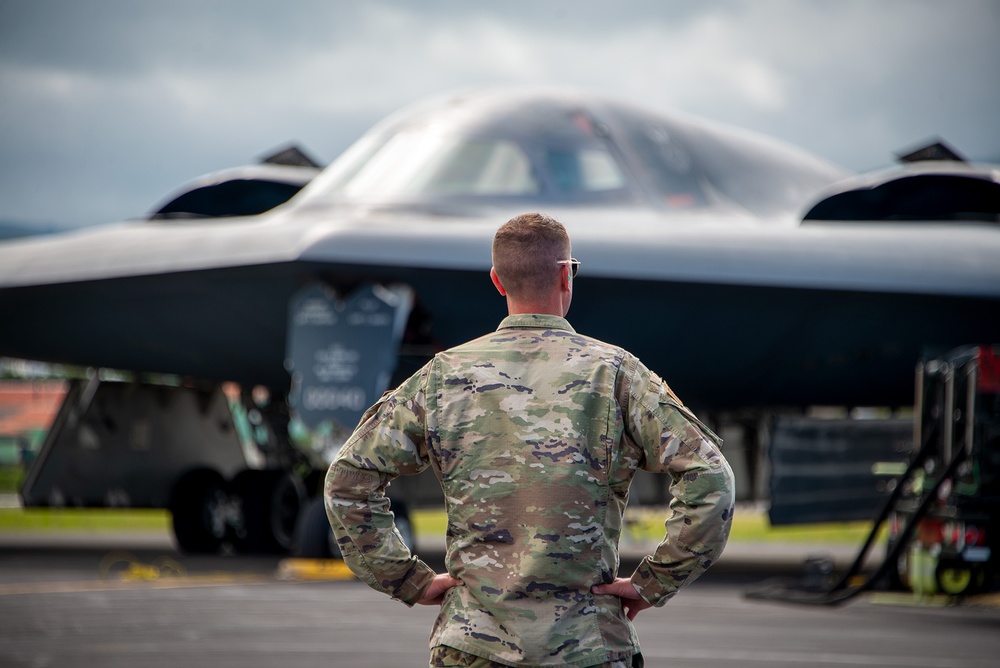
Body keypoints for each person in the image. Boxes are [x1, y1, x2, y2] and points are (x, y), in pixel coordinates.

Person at [325, 212, 735, 667]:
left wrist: (407, 579)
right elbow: (710, 477)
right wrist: (653, 582)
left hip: (472, 642)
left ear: (498, 282)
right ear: (566, 274)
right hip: (587, 644)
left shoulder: (443, 376)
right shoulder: (616, 373)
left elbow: (347, 480)